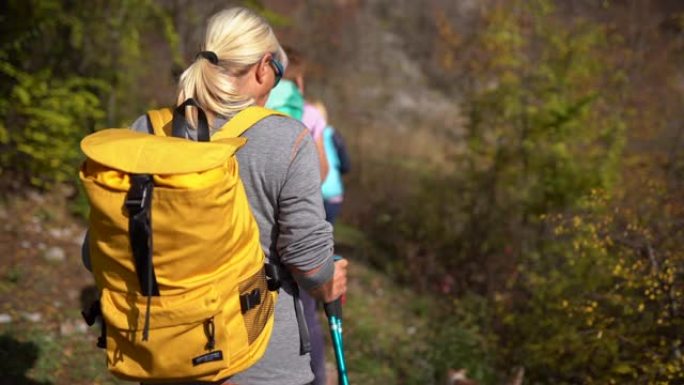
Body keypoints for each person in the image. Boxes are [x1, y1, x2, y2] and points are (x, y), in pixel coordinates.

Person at [84, 7, 347, 385]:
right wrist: (329, 281)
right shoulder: (287, 139)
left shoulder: (146, 131)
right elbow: (308, 263)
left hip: (163, 356)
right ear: (264, 68)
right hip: (260, 362)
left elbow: (94, 252)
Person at [310, 101, 351, 225]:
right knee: (326, 237)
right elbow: (346, 165)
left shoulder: (303, 133)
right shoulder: (334, 135)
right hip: (333, 194)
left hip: (310, 194)